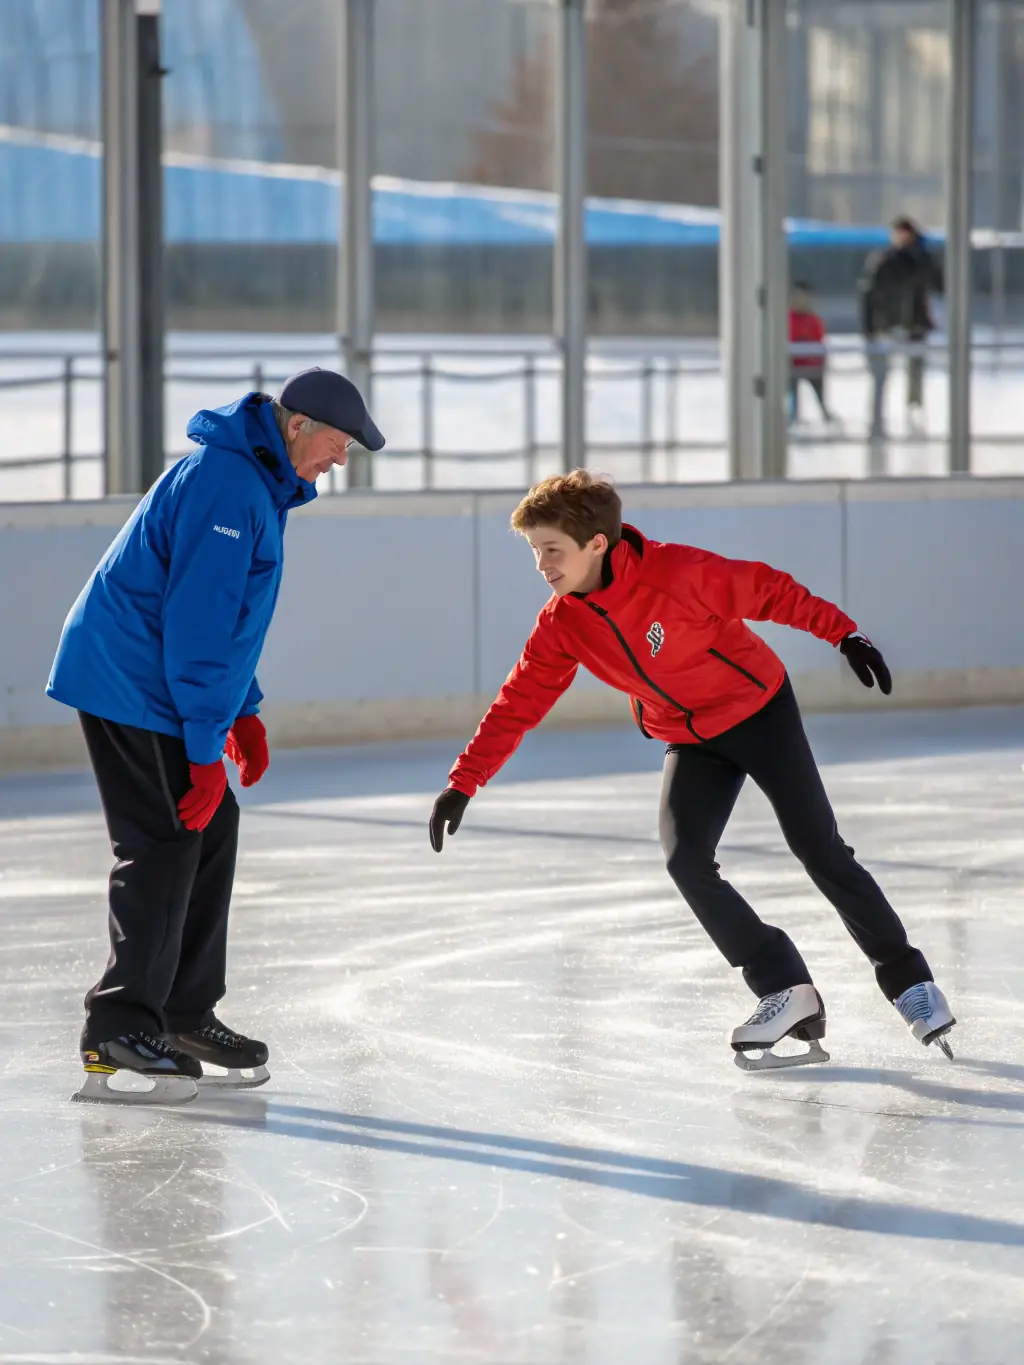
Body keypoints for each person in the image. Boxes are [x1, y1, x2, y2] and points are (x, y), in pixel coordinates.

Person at [428, 470, 956, 1071]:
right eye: (535, 552)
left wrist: (845, 634)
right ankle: (786, 989)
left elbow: (767, 589)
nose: (542, 565)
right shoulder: (563, 624)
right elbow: (518, 700)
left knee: (818, 847)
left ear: (596, 543)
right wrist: (463, 782)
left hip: (757, 710)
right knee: (686, 861)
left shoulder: (677, 574)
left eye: (552, 550)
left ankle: (910, 982)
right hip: (687, 736)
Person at [47, 368, 385, 1105]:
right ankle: (119, 1025)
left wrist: (244, 707)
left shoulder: (257, 481)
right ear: (296, 425)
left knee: (212, 825)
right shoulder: (230, 483)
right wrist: (205, 745)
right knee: (166, 837)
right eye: (338, 442)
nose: (341, 459)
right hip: (130, 677)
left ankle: (182, 1011)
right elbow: (198, 623)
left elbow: (232, 617)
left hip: (154, 674)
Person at [859, 215, 943, 438]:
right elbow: (869, 294)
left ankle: (914, 411)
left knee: (916, 371)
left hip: (915, 324)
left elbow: (939, 283)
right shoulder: (885, 260)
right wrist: (870, 328)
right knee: (881, 374)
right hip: (888, 325)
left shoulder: (922, 259)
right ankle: (877, 419)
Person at [788, 281, 834, 425]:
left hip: (812, 365)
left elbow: (820, 341)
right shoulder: (787, 319)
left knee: (819, 389)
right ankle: (793, 416)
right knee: (792, 390)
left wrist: (821, 362)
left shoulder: (813, 320)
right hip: (793, 366)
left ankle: (824, 412)